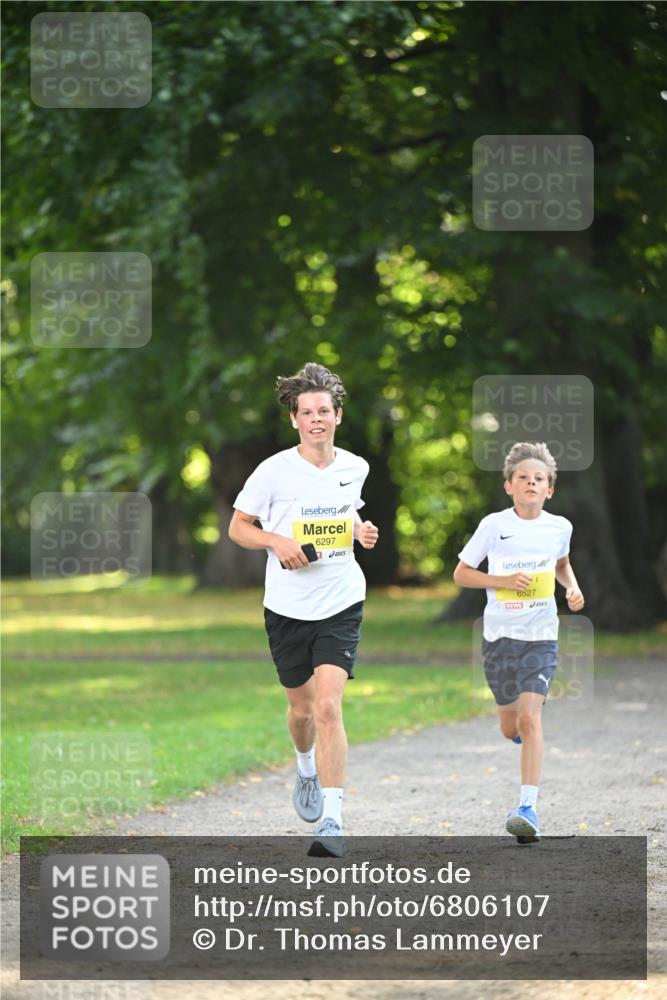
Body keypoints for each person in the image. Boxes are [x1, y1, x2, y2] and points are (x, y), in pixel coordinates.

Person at [228, 362, 378, 857]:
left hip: (340, 597)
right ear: (295, 419)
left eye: (324, 411)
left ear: (338, 414)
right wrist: (275, 541)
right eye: (307, 412)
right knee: (301, 711)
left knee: (329, 706)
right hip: (287, 605)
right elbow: (238, 527)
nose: (317, 419)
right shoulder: (272, 471)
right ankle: (306, 767)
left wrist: (359, 530)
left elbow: (345, 510)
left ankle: (331, 821)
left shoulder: (355, 466)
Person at [453, 442, 585, 842]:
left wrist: (573, 589)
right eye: (523, 477)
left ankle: (527, 806)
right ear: (509, 485)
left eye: (539, 479)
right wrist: (502, 581)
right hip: (499, 638)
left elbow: (560, 563)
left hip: (540, 636)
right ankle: (515, 731)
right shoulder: (494, 526)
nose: (531, 483)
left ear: (550, 490)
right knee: (510, 724)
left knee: (531, 718)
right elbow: (462, 574)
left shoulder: (560, 527)